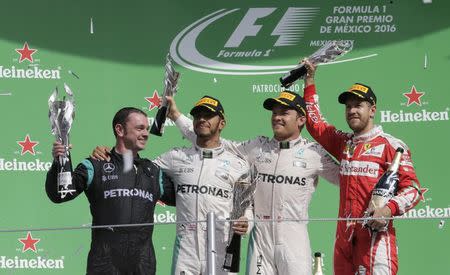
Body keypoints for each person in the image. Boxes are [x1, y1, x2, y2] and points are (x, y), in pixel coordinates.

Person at [170, 92, 340, 275]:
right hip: (260, 237)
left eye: (284, 113)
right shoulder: (258, 147)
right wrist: (176, 116)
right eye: (274, 113)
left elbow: (348, 179)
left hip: (294, 238)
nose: (277, 117)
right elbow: (211, 141)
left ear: (301, 120)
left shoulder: (313, 153)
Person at [93, 96, 251, 275]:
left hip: (223, 246)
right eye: (198, 116)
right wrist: (111, 154)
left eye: (208, 116)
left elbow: (247, 205)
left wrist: (248, 222)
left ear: (221, 123)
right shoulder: (176, 156)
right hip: (186, 249)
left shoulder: (238, 164)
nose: (202, 119)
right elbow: (138, 170)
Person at [301, 59, 422, 275]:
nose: (352, 111)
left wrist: (388, 209)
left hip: (375, 240)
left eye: (358, 105)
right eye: (348, 107)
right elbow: (315, 124)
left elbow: (413, 190)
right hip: (344, 241)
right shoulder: (345, 143)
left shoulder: (391, 145)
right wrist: (310, 80)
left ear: (372, 110)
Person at [46, 107, 172, 275]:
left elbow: (186, 197)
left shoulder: (153, 172)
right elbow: (60, 194)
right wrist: (59, 162)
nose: (146, 133)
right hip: (104, 264)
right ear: (119, 130)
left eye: (147, 129)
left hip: (143, 266)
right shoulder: (95, 165)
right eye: (140, 128)